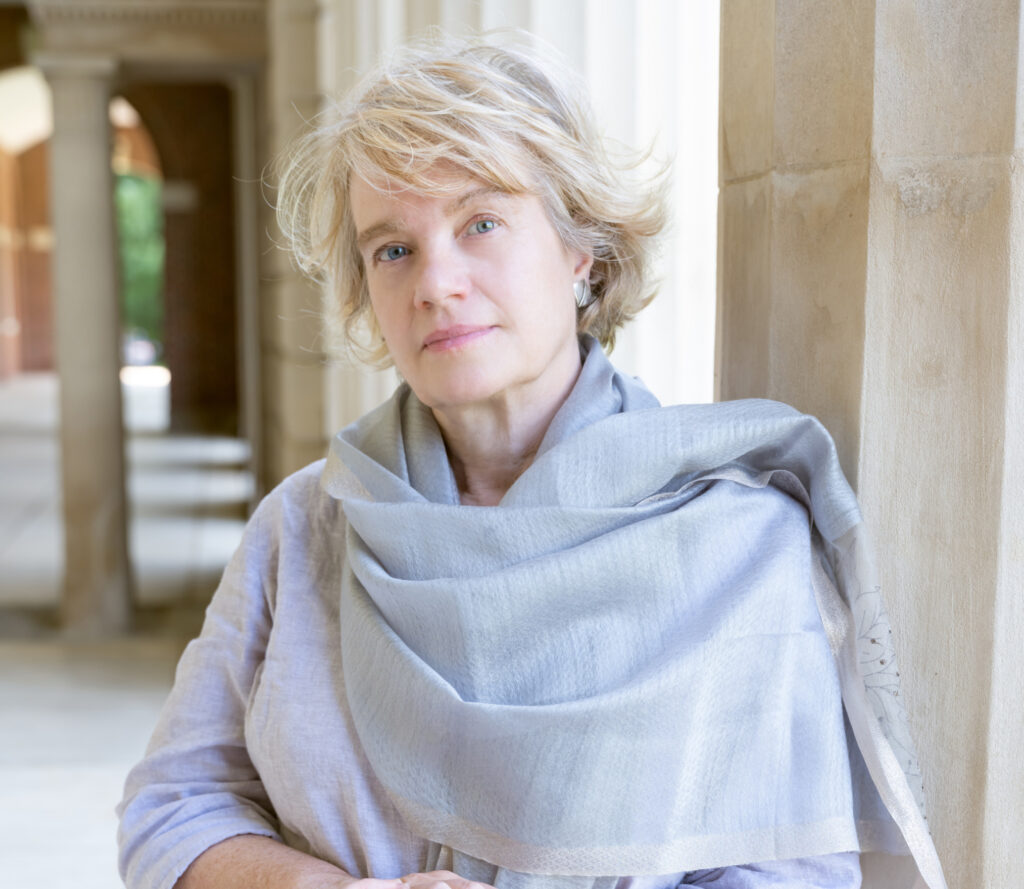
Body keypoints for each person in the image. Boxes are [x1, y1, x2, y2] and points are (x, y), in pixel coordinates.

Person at [117, 34, 948, 889]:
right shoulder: (303, 527)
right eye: (391, 248)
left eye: (481, 223)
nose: (435, 282)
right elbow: (170, 809)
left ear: (579, 248)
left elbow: (794, 875)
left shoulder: (737, 541)